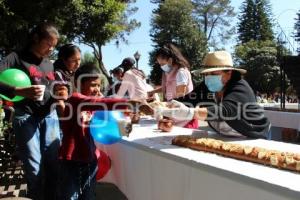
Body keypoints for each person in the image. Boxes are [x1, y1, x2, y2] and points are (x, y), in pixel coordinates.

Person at [0, 22, 61, 199]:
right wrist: (18, 91)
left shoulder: (49, 64)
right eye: (48, 44)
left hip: (50, 116)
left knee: (53, 164)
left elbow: (50, 88)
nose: (51, 49)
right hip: (26, 117)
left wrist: (59, 93)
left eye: (54, 46)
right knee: (35, 167)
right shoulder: (16, 57)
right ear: (36, 38)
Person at [57, 62, 129, 199]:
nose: (97, 88)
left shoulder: (92, 104)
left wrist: (125, 125)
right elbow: (102, 104)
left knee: (88, 196)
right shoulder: (75, 100)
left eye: (98, 85)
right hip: (73, 160)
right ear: (79, 84)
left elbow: (109, 118)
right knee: (70, 196)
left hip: (89, 159)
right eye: (93, 85)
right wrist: (130, 103)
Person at [159, 51, 271, 139]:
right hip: (226, 136)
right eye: (206, 74)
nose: (208, 77)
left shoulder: (240, 88)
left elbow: (226, 111)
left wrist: (190, 113)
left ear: (229, 73)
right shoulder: (207, 86)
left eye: (214, 73)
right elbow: (188, 100)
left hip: (252, 136)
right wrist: (163, 106)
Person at [148, 43, 198, 128]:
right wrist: (153, 92)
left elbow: (180, 96)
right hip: (176, 115)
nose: (161, 67)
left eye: (162, 64)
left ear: (170, 60)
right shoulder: (170, 73)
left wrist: (161, 106)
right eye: (160, 64)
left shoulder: (181, 72)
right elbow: (168, 88)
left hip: (185, 118)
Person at [53, 43, 81, 116]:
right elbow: (60, 101)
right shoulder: (58, 74)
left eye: (79, 59)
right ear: (64, 60)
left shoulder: (73, 74)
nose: (78, 63)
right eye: (73, 60)